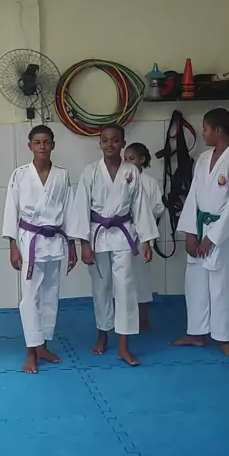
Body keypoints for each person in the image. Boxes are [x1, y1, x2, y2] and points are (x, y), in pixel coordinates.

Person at [70, 125, 158, 366]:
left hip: (123, 235)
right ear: (99, 144)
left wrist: (147, 240)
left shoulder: (131, 172)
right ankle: (102, 335)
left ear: (122, 143)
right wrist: (83, 243)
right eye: (105, 140)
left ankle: (123, 345)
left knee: (125, 289)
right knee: (101, 287)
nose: (110, 144)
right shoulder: (90, 172)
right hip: (97, 236)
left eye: (115, 140)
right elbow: (81, 208)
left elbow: (140, 207)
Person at [172, 108, 229, 357]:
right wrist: (190, 232)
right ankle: (196, 333)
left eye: (205, 129)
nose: (203, 133)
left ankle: (223, 338)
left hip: (225, 234)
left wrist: (212, 238)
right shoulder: (204, 159)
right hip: (200, 227)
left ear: (218, 130)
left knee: (222, 287)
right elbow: (193, 196)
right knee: (195, 284)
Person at [2, 124, 77, 374]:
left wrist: (73, 244)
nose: (42, 146)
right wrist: (12, 245)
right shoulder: (20, 175)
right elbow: (11, 210)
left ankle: (43, 345)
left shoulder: (62, 175)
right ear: (30, 146)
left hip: (55, 241)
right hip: (29, 242)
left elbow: (69, 211)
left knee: (51, 295)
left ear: (53, 145)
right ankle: (31, 351)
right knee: (29, 298)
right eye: (37, 142)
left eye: (46, 142)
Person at [124, 142, 165, 330]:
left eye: (131, 158)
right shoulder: (121, 179)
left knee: (142, 279)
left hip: (143, 236)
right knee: (123, 278)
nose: (127, 162)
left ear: (142, 160)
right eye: (125, 158)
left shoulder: (150, 182)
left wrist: (142, 214)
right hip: (123, 233)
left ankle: (143, 318)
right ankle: (126, 318)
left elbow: (158, 207)